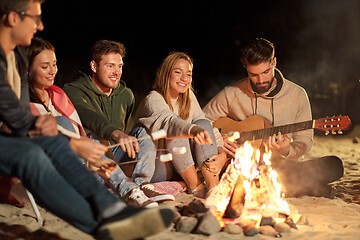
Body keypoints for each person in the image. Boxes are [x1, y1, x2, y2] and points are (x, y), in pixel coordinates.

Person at [0, 0, 174, 239]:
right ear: (13, 19)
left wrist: (41, 127)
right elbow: (14, 120)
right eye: (35, 18)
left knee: (48, 144)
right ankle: (108, 218)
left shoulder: (17, 57)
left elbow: (16, 116)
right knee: (42, 149)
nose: (39, 26)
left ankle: (112, 216)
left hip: (15, 141)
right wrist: (72, 143)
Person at [203, 38, 344, 197]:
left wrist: (287, 150)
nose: (261, 80)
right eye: (253, 75)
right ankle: (302, 188)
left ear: (274, 63)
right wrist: (221, 143)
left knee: (334, 165)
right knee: (240, 176)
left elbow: (305, 140)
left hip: (284, 166)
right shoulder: (232, 93)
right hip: (244, 167)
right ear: (245, 68)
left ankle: (273, 188)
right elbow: (201, 122)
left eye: (265, 72)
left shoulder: (297, 95)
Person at [63, 40, 174, 207]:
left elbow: (125, 129)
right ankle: (128, 190)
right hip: (90, 163)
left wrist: (124, 139)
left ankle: (142, 185)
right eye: (110, 66)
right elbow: (89, 117)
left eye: (120, 66)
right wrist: (115, 132)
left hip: (116, 161)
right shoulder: (73, 90)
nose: (117, 72)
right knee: (94, 137)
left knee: (145, 129)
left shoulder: (126, 95)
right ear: (94, 66)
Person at [134, 52, 227, 198]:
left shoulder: (187, 96)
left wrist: (222, 153)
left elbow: (205, 124)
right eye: (178, 72)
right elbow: (171, 123)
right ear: (166, 74)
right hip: (160, 166)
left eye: (188, 74)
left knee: (202, 123)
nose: (184, 79)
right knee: (177, 130)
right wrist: (192, 129)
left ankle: (213, 189)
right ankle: (197, 187)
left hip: (182, 163)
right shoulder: (152, 99)